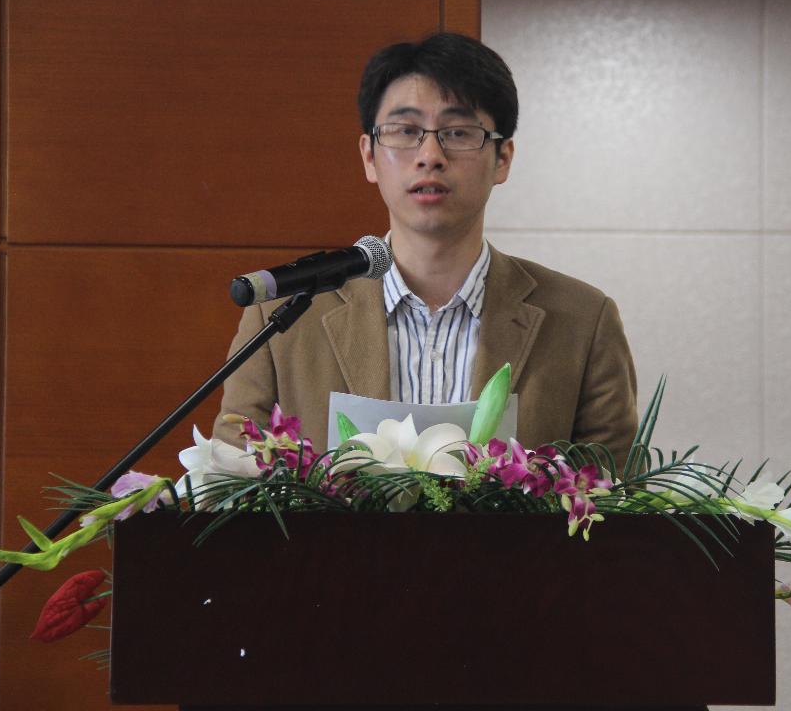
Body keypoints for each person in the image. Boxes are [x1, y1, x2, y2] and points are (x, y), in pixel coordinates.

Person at [213, 32, 637, 466]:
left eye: (458, 132)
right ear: (369, 156)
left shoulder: (583, 321)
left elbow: (614, 490)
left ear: (503, 158)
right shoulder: (283, 317)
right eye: (405, 131)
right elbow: (231, 479)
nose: (430, 155)